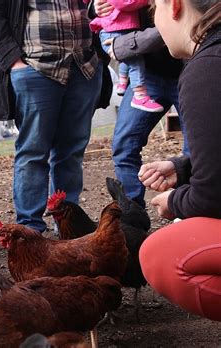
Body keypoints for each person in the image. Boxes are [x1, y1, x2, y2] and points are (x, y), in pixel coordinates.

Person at [0, 0, 103, 233]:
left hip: (84, 66)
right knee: (33, 151)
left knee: (72, 151)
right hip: (36, 67)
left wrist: (101, 56)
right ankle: (30, 229)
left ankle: (69, 226)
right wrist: (14, 61)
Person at [138, 0, 221, 321]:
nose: (154, 21)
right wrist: (184, 166)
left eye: (152, 9)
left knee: (163, 253)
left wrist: (175, 200)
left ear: (174, 5)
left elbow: (211, 198)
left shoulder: (208, 67)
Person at [95, 0, 189, 209]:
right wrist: (97, 5)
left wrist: (126, 45)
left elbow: (180, 24)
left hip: (189, 69)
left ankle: (190, 210)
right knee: (124, 144)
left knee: (196, 150)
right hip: (148, 76)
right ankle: (133, 215)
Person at [90, 0, 164, 112]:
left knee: (127, 58)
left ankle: (122, 83)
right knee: (136, 61)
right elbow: (124, 3)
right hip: (114, 31)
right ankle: (139, 96)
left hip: (120, 29)